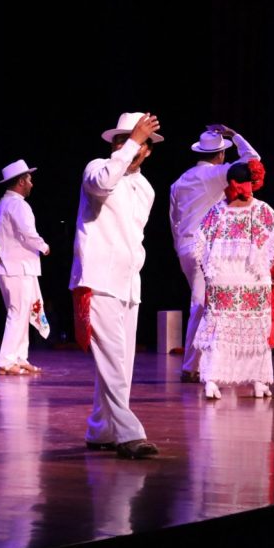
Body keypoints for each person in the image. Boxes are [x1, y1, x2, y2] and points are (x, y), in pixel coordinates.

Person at [69, 112, 163, 460]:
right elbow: (104, 183)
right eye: (122, 140)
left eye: (137, 142)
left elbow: (133, 236)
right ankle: (128, 433)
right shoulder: (98, 169)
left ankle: (101, 428)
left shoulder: (147, 188)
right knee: (111, 360)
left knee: (122, 364)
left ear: (148, 151)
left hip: (128, 282)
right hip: (98, 279)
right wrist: (133, 142)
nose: (129, 146)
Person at [169, 125, 261, 382]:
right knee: (202, 304)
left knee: (208, 304)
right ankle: (191, 367)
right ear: (220, 154)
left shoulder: (179, 182)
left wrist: (179, 249)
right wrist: (234, 135)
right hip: (204, 248)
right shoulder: (215, 174)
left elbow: (174, 220)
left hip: (186, 248)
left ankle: (201, 364)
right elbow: (254, 162)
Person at [195, 161, 274, 399]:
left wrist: (209, 275)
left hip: (223, 279)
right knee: (256, 330)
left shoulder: (217, 210)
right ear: (252, 183)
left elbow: (200, 244)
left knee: (219, 329)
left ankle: (212, 381)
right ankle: (257, 382)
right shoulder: (262, 210)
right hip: (253, 279)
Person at [0, 160, 52, 375]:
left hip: (12, 267)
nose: (31, 184)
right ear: (20, 182)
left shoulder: (3, 205)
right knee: (17, 313)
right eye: (29, 180)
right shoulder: (18, 205)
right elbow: (28, 233)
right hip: (17, 267)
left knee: (21, 313)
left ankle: (19, 357)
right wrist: (44, 246)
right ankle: (7, 361)